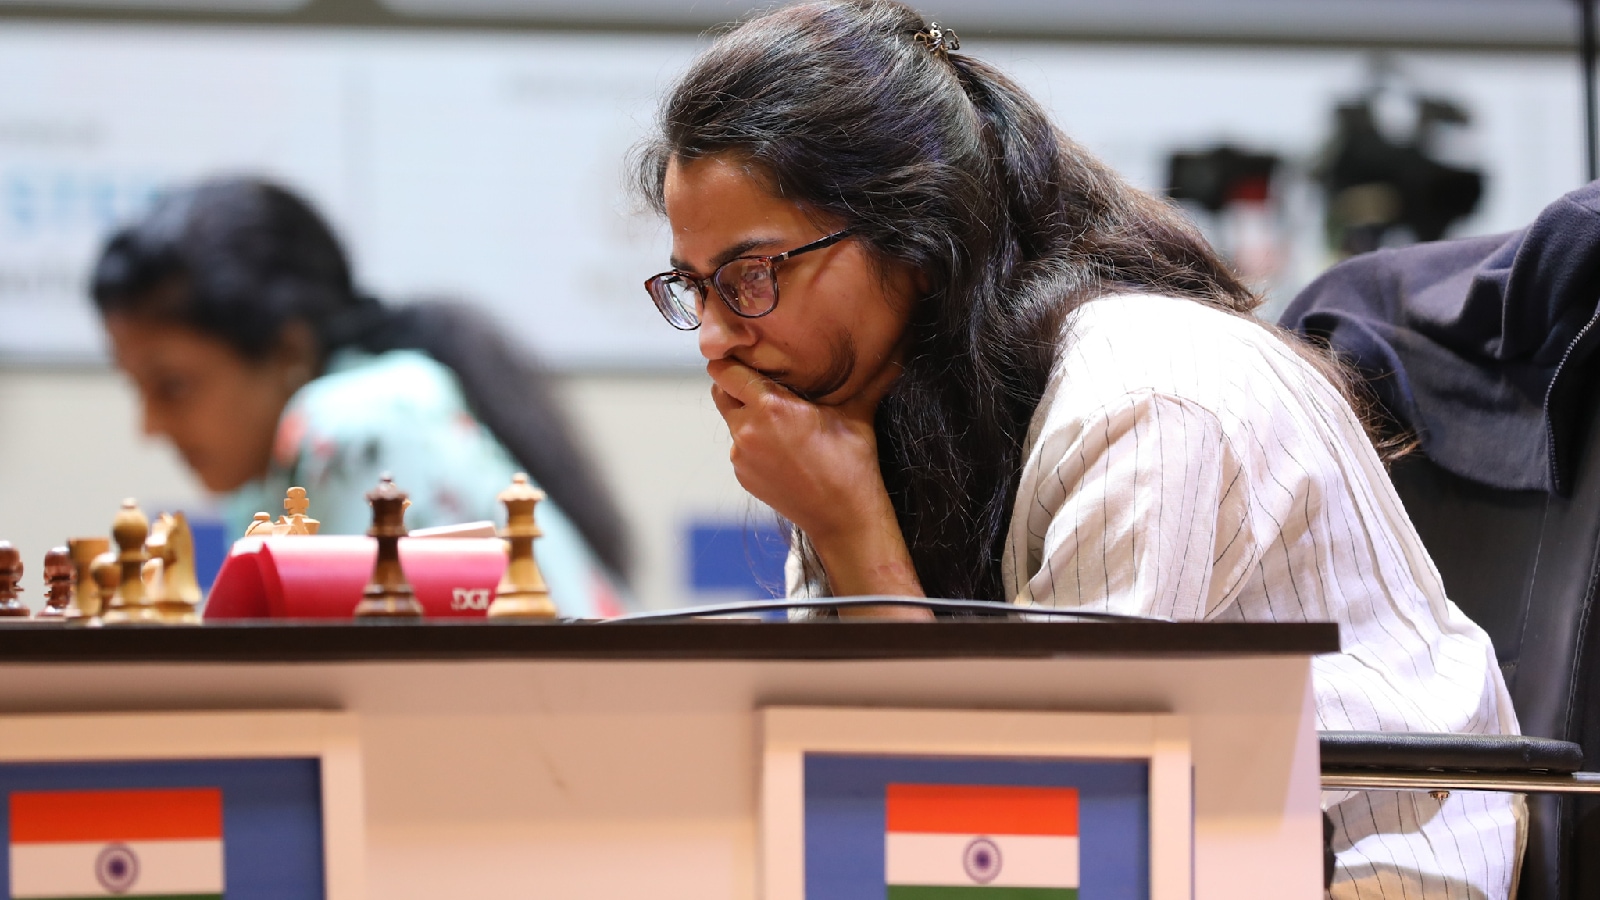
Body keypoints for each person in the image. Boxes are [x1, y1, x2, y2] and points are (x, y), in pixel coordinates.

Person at [633, 2, 1521, 896]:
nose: (712, 336)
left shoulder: (1142, 395)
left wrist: (855, 531)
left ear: (916, 235)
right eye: (693, 287)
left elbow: (1030, 837)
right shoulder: (859, 419)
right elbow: (864, 802)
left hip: (1357, 868)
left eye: (750, 276)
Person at [91, 176, 629, 617]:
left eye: (173, 385)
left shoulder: (351, 425)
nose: (150, 426)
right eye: (135, 387)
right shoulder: (263, 488)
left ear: (287, 350)